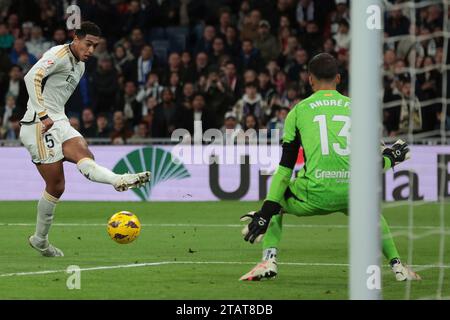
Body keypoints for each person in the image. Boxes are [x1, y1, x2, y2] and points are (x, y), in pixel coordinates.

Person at [239, 53, 421, 282]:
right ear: (338, 78)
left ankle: (268, 260)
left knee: (276, 201)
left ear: (310, 80)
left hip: (314, 193)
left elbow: (285, 170)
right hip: (351, 192)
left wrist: (265, 213)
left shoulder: (298, 112)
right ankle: (398, 267)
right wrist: (391, 160)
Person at [19, 22, 150, 258]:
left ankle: (118, 179)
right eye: (88, 44)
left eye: (95, 46)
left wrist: (54, 117)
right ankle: (40, 240)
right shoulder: (57, 55)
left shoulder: (79, 66)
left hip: (58, 120)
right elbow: (31, 77)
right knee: (56, 186)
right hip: (37, 125)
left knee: (85, 156)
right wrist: (42, 114)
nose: (91, 50)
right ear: (75, 38)